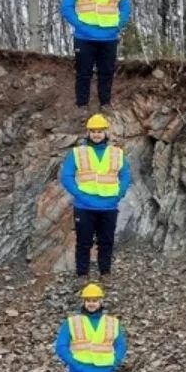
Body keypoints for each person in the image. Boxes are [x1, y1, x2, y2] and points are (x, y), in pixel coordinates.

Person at [60, 0, 131, 114]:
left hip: (109, 37)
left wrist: (118, 25)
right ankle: (82, 105)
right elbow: (66, 7)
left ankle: (105, 103)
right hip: (84, 38)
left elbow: (126, 7)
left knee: (106, 72)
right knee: (83, 73)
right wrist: (79, 26)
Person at [60, 113, 131, 279]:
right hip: (84, 206)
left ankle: (105, 272)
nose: (96, 134)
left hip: (109, 205)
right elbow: (67, 177)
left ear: (105, 132)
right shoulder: (77, 153)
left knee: (106, 242)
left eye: (100, 131)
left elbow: (126, 175)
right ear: (88, 133)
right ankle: (82, 273)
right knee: (84, 242)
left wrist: (119, 194)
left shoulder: (116, 153)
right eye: (93, 131)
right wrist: (80, 195)